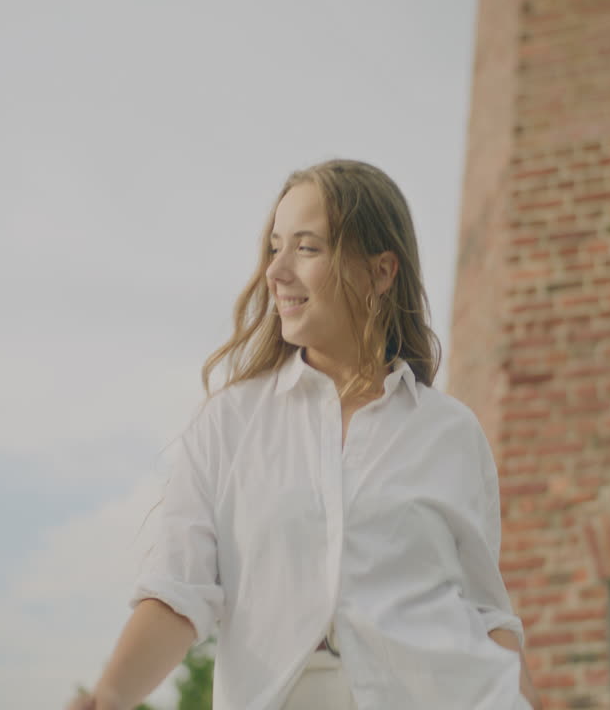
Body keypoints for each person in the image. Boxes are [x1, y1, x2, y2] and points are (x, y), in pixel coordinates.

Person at [68, 159, 541, 710]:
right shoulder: (229, 424)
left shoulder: (452, 432)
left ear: (382, 271)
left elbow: (486, 615)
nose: (276, 271)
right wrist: (108, 697)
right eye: (275, 247)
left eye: (307, 247)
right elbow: (179, 593)